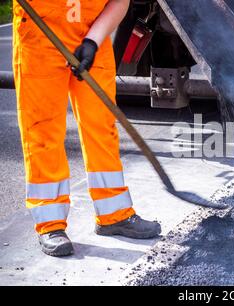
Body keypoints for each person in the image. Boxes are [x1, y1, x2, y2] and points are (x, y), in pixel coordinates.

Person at [12, 0, 161, 257]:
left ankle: (113, 214)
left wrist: (92, 41)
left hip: (92, 35)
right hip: (40, 36)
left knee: (101, 124)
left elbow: (119, 1)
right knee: (43, 129)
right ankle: (51, 223)